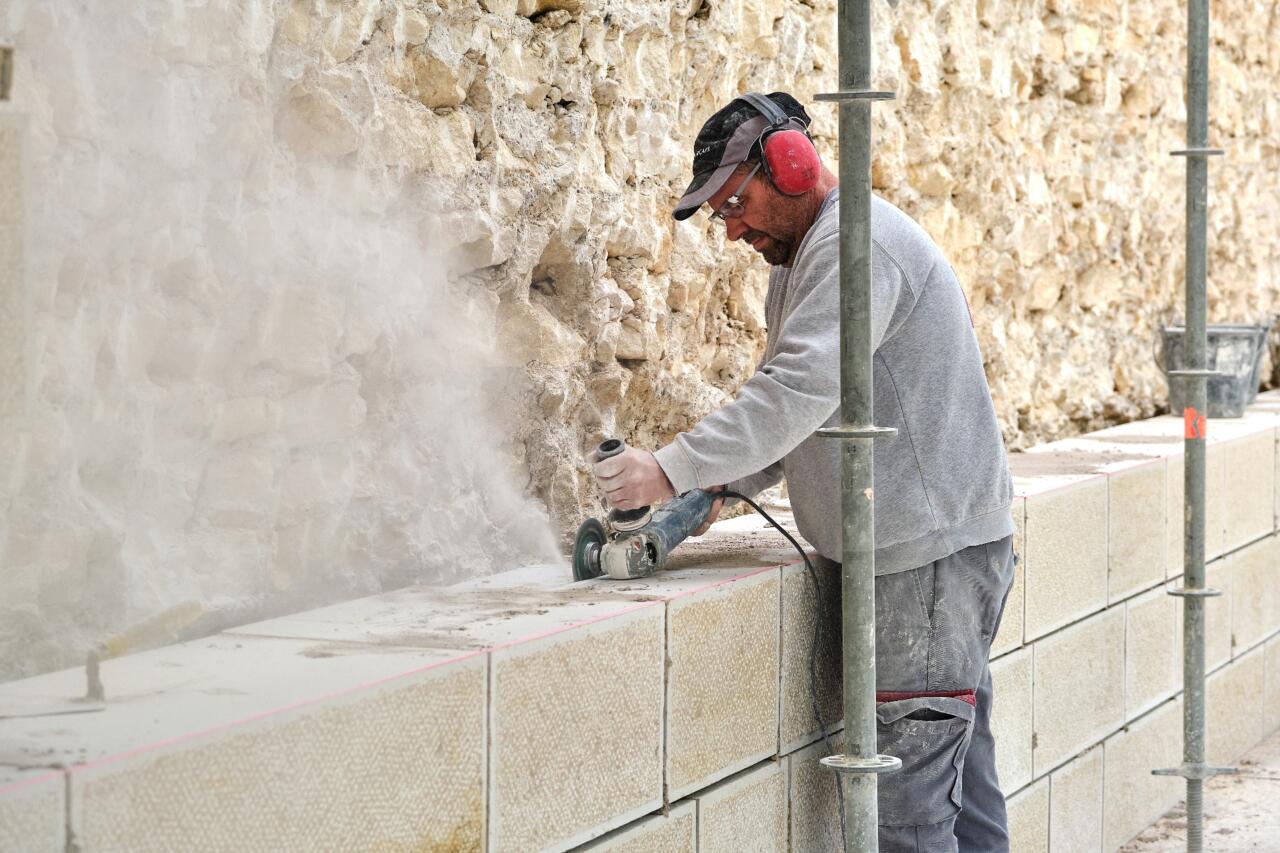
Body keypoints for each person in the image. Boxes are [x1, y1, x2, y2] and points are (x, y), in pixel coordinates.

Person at [591, 91, 1016, 852]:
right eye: (722, 214)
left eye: (736, 203)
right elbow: (812, 410)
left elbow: (795, 392)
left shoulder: (858, 248)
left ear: (791, 165)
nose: (733, 228)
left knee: (911, 814)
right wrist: (716, 484)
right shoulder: (802, 258)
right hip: (927, 562)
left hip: (926, 569)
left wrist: (669, 467)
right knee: (959, 786)